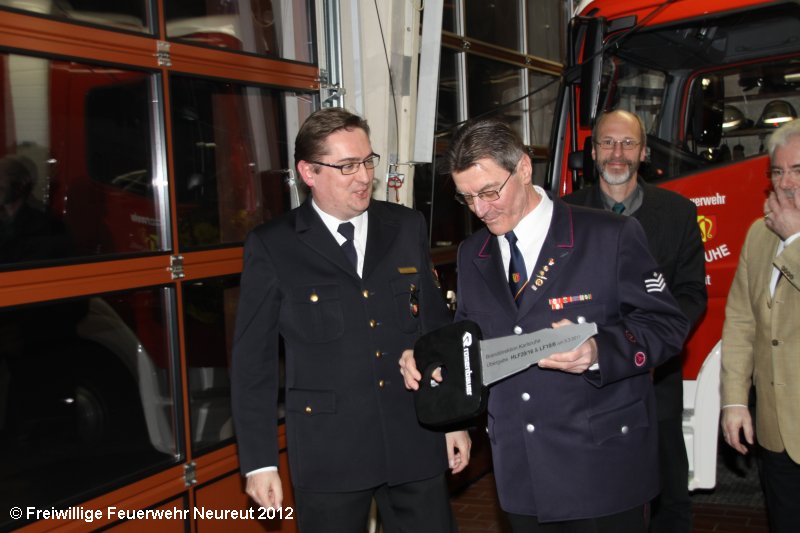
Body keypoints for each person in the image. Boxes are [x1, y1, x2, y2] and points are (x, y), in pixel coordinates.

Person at [400, 118, 689, 532]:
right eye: (467, 198)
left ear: (523, 168)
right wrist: (429, 360)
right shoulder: (472, 253)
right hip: (521, 472)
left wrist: (597, 351)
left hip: (601, 466)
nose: (480, 209)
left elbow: (665, 325)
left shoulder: (609, 235)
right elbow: (469, 342)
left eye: (489, 192)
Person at [230, 107, 470, 533]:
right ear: (309, 172)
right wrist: (260, 463)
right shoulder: (273, 246)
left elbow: (435, 330)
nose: (363, 177)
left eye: (367, 161)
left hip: (413, 437)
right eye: (347, 166)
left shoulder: (405, 226)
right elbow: (254, 364)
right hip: (330, 451)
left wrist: (453, 420)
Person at [563, 110, 707, 533]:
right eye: (607, 142)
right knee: (592, 497)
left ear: (644, 152)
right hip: (585, 382)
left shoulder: (678, 213)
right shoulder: (564, 214)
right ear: (593, 152)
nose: (617, 153)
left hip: (655, 379)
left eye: (628, 143)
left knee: (667, 495)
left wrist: (649, 346)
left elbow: (691, 294)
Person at [720, 118, 800, 533]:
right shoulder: (759, 233)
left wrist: (795, 241)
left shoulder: (784, 235)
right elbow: (741, 322)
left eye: (798, 170)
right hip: (776, 434)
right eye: (778, 171)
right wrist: (735, 400)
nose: (786, 183)